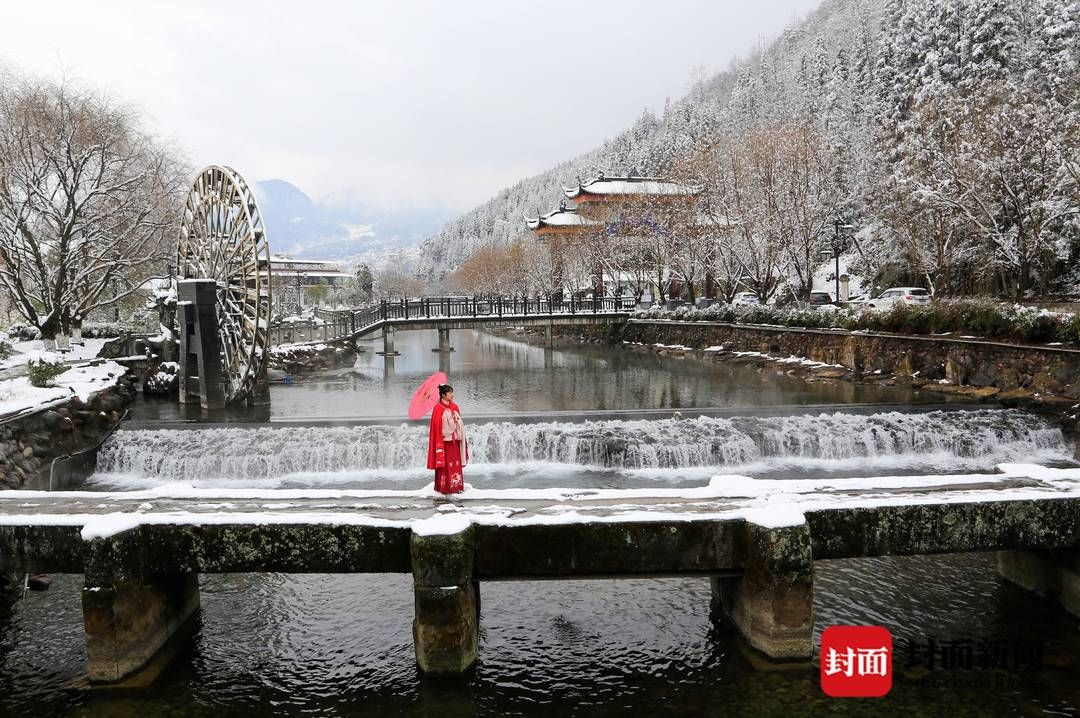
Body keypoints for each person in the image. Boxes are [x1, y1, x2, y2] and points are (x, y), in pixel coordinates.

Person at [427, 384, 467, 494]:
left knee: (456, 463)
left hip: (455, 441)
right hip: (444, 442)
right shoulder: (437, 409)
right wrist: (447, 419)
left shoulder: (455, 407)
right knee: (445, 465)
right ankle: (444, 488)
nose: (452, 395)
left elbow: (460, 424)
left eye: (452, 392)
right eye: (449, 393)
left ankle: (456, 486)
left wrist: (455, 420)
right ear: (443, 395)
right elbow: (438, 427)